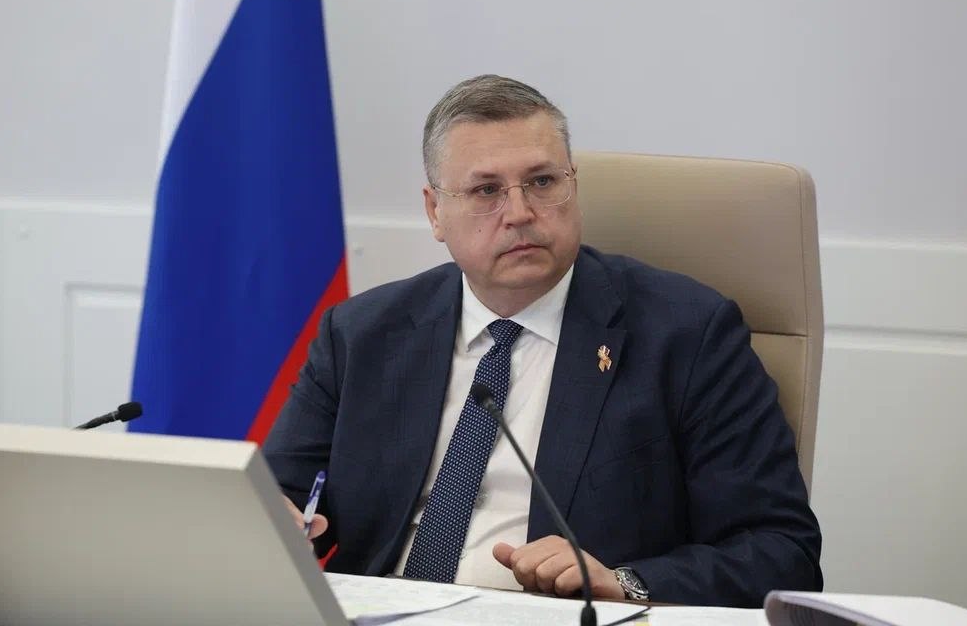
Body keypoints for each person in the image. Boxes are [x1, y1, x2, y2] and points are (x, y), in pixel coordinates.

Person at [264, 75, 822, 607]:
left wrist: (623, 581)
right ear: (436, 212)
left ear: (573, 185)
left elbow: (780, 550)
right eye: (486, 190)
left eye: (542, 182)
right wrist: (276, 523)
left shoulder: (687, 334)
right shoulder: (361, 334)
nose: (520, 213)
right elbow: (276, 501)